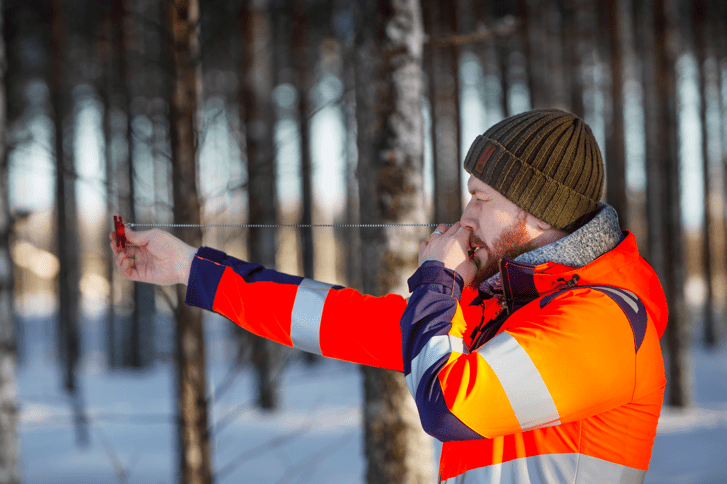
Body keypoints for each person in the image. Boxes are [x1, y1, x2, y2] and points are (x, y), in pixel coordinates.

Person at [111, 109, 666, 483]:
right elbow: (340, 321)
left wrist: (438, 284)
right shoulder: (509, 306)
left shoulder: (604, 321)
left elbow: (450, 407)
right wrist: (190, 267)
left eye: (481, 198)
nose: (466, 214)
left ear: (535, 211)